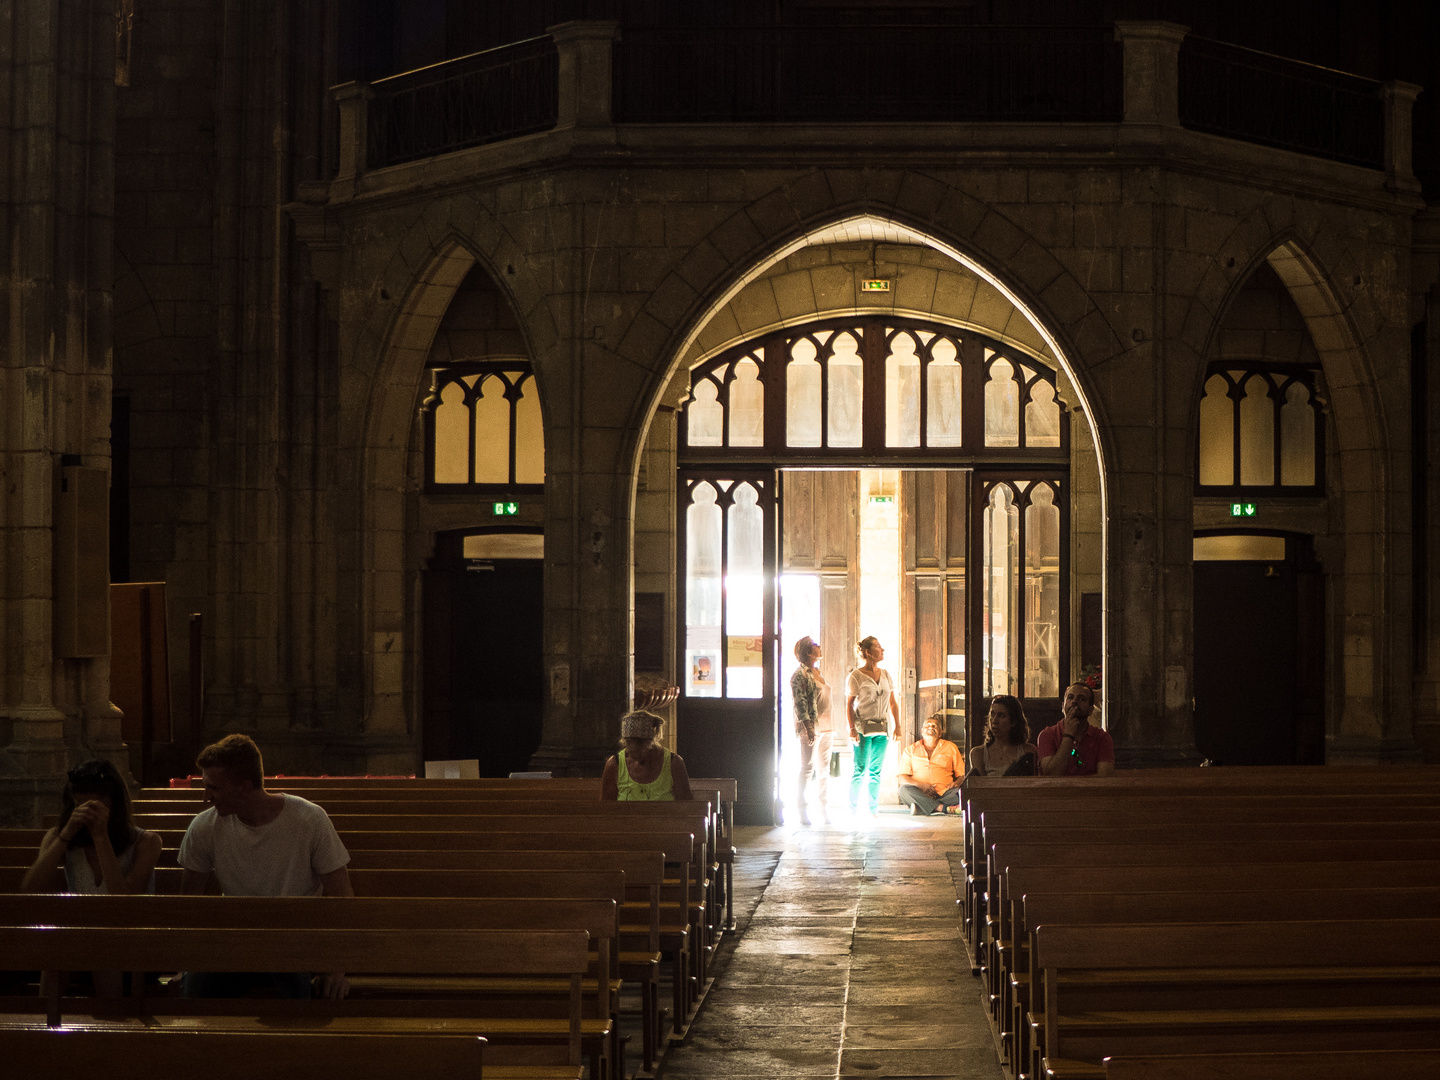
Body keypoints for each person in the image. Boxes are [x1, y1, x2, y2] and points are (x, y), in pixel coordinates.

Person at [178, 733, 354, 1000]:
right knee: (197, 987)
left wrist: (336, 970)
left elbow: (343, 901)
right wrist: (185, 962)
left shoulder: (308, 819)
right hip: (237, 941)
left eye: (214, 788)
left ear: (244, 787)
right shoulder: (205, 827)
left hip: (295, 941)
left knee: (289, 968)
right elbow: (188, 907)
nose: (206, 797)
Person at [21, 758, 162, 999]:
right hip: (78, 936)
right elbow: (28, 890)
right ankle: (46, 1025)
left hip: (131, 938)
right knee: (59, 941)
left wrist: (101, 837)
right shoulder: (61, 838)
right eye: (80, 805)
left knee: (101, 945)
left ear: (113, 803)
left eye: (94, 806)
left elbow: (123, 903)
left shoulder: (146, 842)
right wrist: (65, 835)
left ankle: (112, 1024)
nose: (87, 813)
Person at [845, 636, 900, 817]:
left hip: (882, 729)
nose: (882, 649)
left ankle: (872, 809)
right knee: (859, 769)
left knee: (876, 771)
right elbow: (849, 705)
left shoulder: (885, 674)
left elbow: (892, 702)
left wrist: (897, 726)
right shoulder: (856, 676)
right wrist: (852, 728)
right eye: (878, 646)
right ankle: (852, 809)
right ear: (868, 652)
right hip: (862, 729)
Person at [601, 710, 694, 801]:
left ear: (651, 742)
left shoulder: (674, 763)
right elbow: (606, 806)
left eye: (639, 744)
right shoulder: (615, 763)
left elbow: (685, 806)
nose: (632, 751)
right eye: (628, 743)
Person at [790, 635, 833, 826]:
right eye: (815, 645)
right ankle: (802, 809)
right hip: (812, 727)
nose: (819, 646)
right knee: (807, 768)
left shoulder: (818, 672)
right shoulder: (799, 675)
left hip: (828, 726)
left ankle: (824, 809)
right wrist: (808, 727)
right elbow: (800, 704)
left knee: (824, 770)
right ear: (808, 652)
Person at [1036, 682, 1115, 776]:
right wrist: (1068, 736)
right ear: (1062, 706)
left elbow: (1104, 777)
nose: (1074, 701)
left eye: (1082, 699)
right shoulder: (1048, 735)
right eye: (1070, 697)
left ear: (1091, 710)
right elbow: (1051, 775)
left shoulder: (1102, 738)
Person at [895, 713, 965, 816]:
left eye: (934, 726)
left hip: (945, 792)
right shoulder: (910, 750)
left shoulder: (951, 747)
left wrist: (957, 783)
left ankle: (922, 807)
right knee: (903, 790)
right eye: (927, 725)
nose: (930, 728)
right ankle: (942, 808)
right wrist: (921, 785)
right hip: (919, 791)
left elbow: (962, 775)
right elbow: (902, 778)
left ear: (940, 733)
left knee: (963, 793)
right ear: (922, 731)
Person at [967, 695, 1039, 778]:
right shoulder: (979, 753)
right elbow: (981, 788)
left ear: (1013, 722)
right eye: (992, 714)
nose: (994, 721)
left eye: (1001, 716)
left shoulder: (1027, 751)